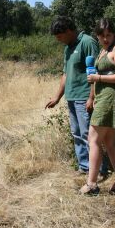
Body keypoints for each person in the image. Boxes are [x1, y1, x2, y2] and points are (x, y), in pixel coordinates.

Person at [45, 16, 108, 176]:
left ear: (69, 31)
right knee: (77, 133)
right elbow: (66, 74)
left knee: (89, 134)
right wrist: (57, 97)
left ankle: (100, 170)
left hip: (84, 97)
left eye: (60, 36)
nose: (58, 40)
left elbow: (96, 70)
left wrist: (91, 97)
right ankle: (84, 166)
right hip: (72, 97)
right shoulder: (68, 47)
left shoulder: (87, 42)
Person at [80, 18, 115, 195]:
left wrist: (99, 79)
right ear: (97, 36)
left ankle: (92, 184)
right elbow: (95, 76)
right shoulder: (103, 51)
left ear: (113, 35)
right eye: (102, 36)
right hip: (102, 98)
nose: (106, 39)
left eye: (109, 35)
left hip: (111, 97)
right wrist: (92, 96)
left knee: (93, 139)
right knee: (109, 141)